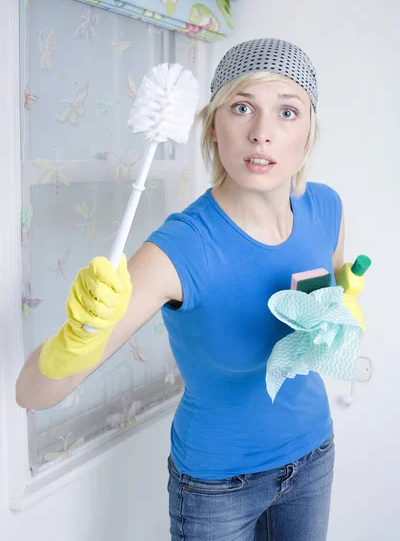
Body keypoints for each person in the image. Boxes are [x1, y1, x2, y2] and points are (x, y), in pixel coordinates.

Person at [16, 38, 358, 541]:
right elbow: (32, 393)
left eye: (287, 111)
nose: (262, 133)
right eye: (242, 108)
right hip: (219, 488)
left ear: (309, 130)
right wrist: (76, 338)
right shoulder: (180, 249)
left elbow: (334, 297)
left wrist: (347, 310)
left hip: (313, 456)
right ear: (214, 126)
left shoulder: (327, 209)